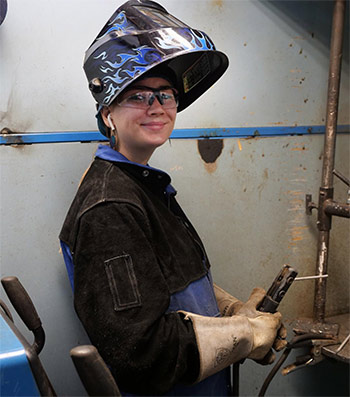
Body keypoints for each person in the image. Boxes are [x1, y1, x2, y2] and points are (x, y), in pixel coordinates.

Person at [59, 1, 286, 395]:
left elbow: (163, 278)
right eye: (138, 95)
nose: (157, 107)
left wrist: (229, 309)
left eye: (165, 94)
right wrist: (244, 335)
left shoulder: (140, 182)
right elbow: (139, 353)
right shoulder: (110, 208)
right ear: (107, 112)